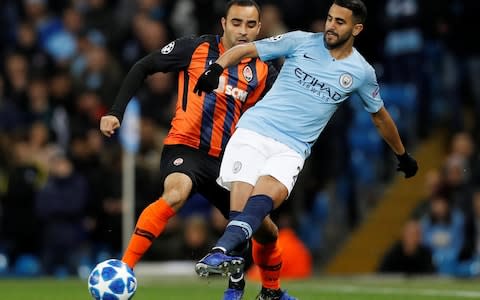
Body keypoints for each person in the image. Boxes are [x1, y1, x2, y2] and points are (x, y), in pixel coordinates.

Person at [193, 0, 419, 293]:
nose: (331, 25)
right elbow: (248, 49)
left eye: (340, 21)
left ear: (357, 28)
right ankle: (242, 281)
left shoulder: (361, 72)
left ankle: (224, 254)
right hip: (254, 132)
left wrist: (402, 154)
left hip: (292, 148)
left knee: (260, 211)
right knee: (245, 216)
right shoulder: (300, 41)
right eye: (329, 18)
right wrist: (217, 67)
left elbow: (380, 117)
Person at [99, 1, 296, 299]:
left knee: (265, 229)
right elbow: (143, 66)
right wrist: (116, 111)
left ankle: (268, 291)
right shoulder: (195, 49)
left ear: (259, 28)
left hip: (230, 160)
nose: (243, 31)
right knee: (176, 193)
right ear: (223, 23)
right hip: (186, 148)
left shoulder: (264, 72)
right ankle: (125, 267)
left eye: (250, 25)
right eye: (237, 23)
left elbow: (270, 120)